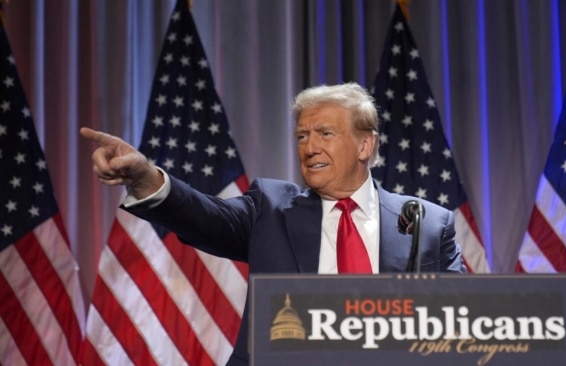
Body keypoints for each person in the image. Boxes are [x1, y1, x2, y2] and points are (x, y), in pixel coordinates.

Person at [81, 82, 466, 366]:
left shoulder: (426, 224)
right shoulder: (271, 208)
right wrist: (146, 177)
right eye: (302, 135)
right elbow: (204, 217)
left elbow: (465, 324)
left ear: (365, 145)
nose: (309, 147)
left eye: (325, 134)